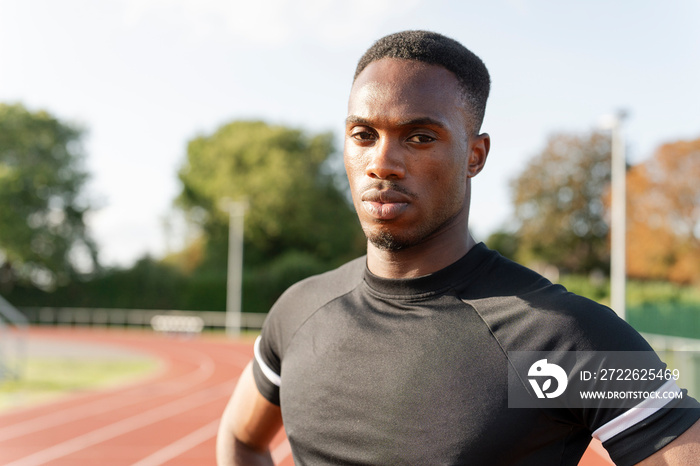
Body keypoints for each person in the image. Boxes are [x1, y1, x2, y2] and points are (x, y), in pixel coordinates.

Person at [217, 30, 700, 465]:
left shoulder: (559, 337)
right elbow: (242, 439)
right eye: (363, 134)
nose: (381, 163)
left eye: (420, 137)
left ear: (475, 154)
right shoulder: (299, 311)